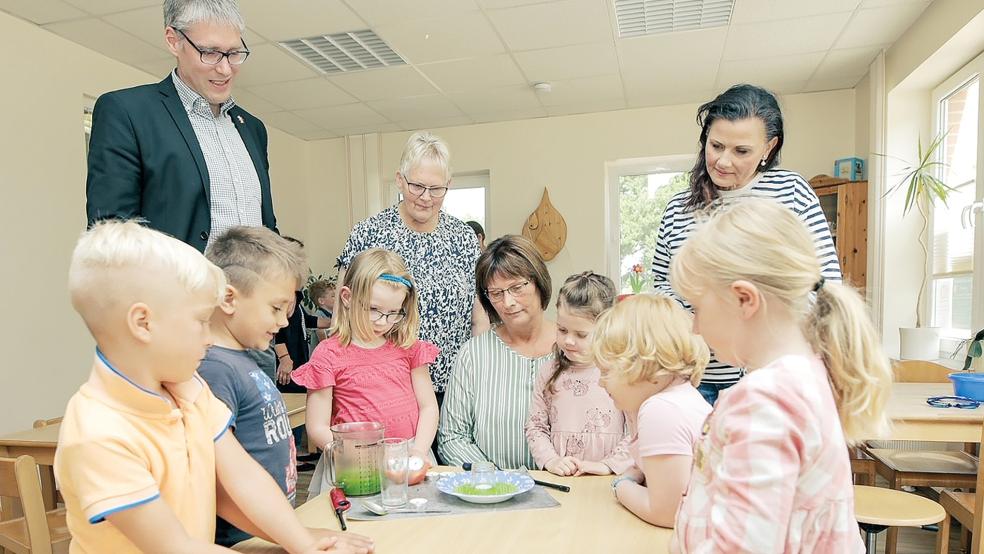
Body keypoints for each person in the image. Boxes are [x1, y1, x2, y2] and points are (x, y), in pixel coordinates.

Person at [56, 220, 372, 553]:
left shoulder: (188, 390)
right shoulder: (98, 434)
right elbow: (175, 546)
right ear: (143, 323)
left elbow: (239, 484)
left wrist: (300, 540)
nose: (209, 338)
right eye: (199, 322)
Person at [669, 198, 891, 552]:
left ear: (744, 299)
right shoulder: (806, 378)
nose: (695, 327)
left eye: (697, 307)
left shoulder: (765, 400)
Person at [651, 83, 841, 405]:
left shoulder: (791, 192)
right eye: (716, 146)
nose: (723, 161)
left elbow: (823, 285)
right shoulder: (678, 209)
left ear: (769, 147)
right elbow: (661, 289)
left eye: (741, 151)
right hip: (694, 376)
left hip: (770, 375)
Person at [85, 0, 276, 252]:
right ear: (174, 40)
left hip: (254, 290)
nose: (225, 68)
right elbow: (111, 236)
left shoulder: (252, 129)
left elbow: (267, 228)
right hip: (176, 289)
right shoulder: (127, 112)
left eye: (234, 53)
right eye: (210, 53)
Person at [336, 132, 486, 414]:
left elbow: (479, 319)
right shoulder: (369, 232)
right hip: (383, 387)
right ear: (399, 179)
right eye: (417, 186)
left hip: (453, 386)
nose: (426, 198)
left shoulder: (463, 238)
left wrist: (479, 376)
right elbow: (342, 315)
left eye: (436, 189)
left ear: (448, 185)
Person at [293, 249, 440, 496]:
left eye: (394, 313)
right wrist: (356, 457)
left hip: (407, 459)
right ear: (348, 297)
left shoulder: (409, 347)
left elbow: (428, 407)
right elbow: (317, 426)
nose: (383, 321)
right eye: (373, 309)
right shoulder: (328, 354)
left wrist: (419, 452)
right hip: (353, 466)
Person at [197, 226, 306, 546]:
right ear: (229, 298)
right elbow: (218, 475)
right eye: (275, 308)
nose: (284, 322)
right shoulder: (214, 370)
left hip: (272, 532)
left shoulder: (245, 360)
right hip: (242, 538)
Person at [591, 294, 711, 528]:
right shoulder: (678, 398)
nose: (600, 383)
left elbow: (667, 513)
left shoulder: (660, 411)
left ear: (644, 365)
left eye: (606, 371)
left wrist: (621, 487)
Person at [438, 235, 555, 470]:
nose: (508, 302)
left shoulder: (575, 349)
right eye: (497, 293)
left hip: (568, 491)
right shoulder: (474, 354)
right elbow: (451, 437)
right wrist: (496, 479)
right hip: (494, 494)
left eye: (516, 287)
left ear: (538, 282)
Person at [525, 272, 632, 477]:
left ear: (605, 329)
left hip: (608, 479)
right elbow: (536, 426)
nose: (569, 341)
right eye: (562, 330)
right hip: (561, 479)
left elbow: (637, 432)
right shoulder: (548, 372)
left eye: (581, 334)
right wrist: (551, 460)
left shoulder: (621, 372)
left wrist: (608, 465)